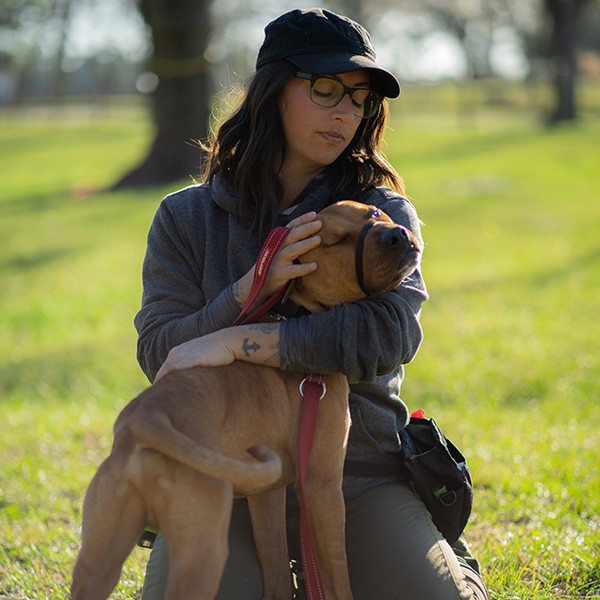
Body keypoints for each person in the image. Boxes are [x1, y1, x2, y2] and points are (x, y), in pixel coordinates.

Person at [135, 7, 489, 600]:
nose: (346, 112)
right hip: (227, 478)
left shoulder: (383, 216)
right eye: (325, 90)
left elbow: (390, 335)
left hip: (362, 475)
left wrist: (242, 342)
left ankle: (442, 557)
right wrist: (250, 290)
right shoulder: (185, 217)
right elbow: (162, 357)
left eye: (359, 98)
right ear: (272, 91)